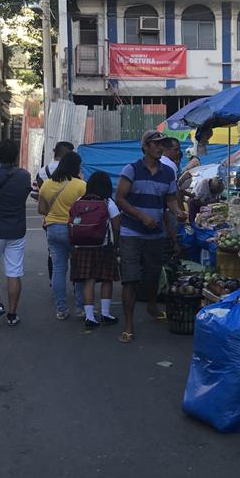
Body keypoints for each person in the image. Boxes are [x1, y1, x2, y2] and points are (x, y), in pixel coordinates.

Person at [115, 130, 183, 343]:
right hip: (131, 232)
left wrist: (178, 211)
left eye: (162, 144)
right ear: (145, 146)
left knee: (153, 276)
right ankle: (128, 324)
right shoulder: (132, 169)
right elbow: (120, 199)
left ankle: (152, 307)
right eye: (156, 144)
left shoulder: (168, 173)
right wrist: (141, 216)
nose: (160, 147)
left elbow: (170, 200)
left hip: (156, 234)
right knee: (130, 279)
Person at [0, 140, 32, 326]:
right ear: (16, 156)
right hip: (17, 229)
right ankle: (12, 314)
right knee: (14, 271)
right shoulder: (25, 176)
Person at [69, 170, 121, 330]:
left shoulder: (79, 200)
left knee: (88, 281)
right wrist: (116, 245)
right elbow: (116, 227)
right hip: (103, 246)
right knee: (106, 279)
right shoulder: (108, 203)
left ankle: (90, 316)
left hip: (82, 246)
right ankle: (105, 314)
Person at [39, 151, 87, 320]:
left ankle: (61, 309)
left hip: (53, 229)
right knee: (79, 270)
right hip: (74, 230)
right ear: (76, 166)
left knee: (58, 270)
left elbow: (42, 210)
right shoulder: (81, 185)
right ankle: (80, 308)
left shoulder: (46, 184)